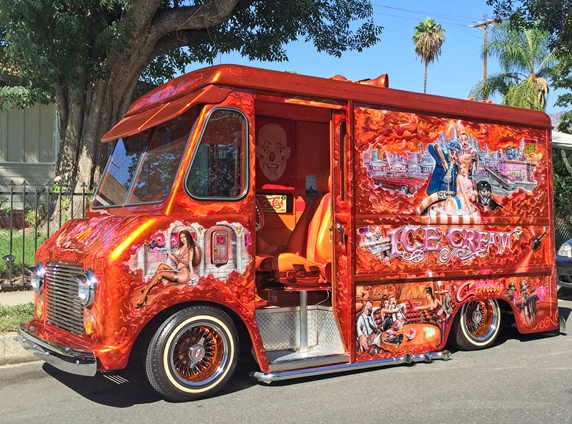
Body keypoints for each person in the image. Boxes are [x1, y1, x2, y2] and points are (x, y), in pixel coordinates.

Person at [136, 230, 198, 308]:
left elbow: (189, 262)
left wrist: (192, 273)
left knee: (160, 273)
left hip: (184, 275)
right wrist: (170, 256)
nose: (183, 239)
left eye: (184, 237)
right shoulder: (181, 248)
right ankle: (148, 287)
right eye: (181, 238)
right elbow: (178, 262)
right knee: (162, 265)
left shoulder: (190, 249)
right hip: (179, 272)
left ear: (188, 237)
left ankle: (144, 296)